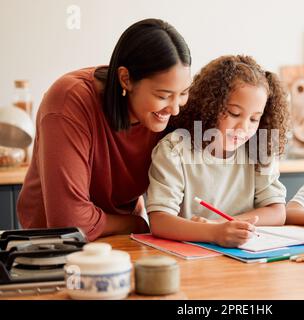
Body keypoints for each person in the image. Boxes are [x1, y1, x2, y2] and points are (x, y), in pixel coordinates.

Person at [17, 19, 192, 241]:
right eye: (163, 96)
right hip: (51, 247)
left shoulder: (165, 112)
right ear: (126, 79)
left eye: (184, 93)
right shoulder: (69, 100)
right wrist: (137, 222)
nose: (175, 109)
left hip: (123, 238)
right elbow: (69, 224)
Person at [146, 55, 289, 247]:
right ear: (210, 106)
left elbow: (277, 212)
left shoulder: (259, 149)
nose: (243, 127)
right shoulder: (175, 149)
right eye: (234, 114)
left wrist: (222, 224)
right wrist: (214, 233)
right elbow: (160, 221)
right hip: (190, 260)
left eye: (254, 119)